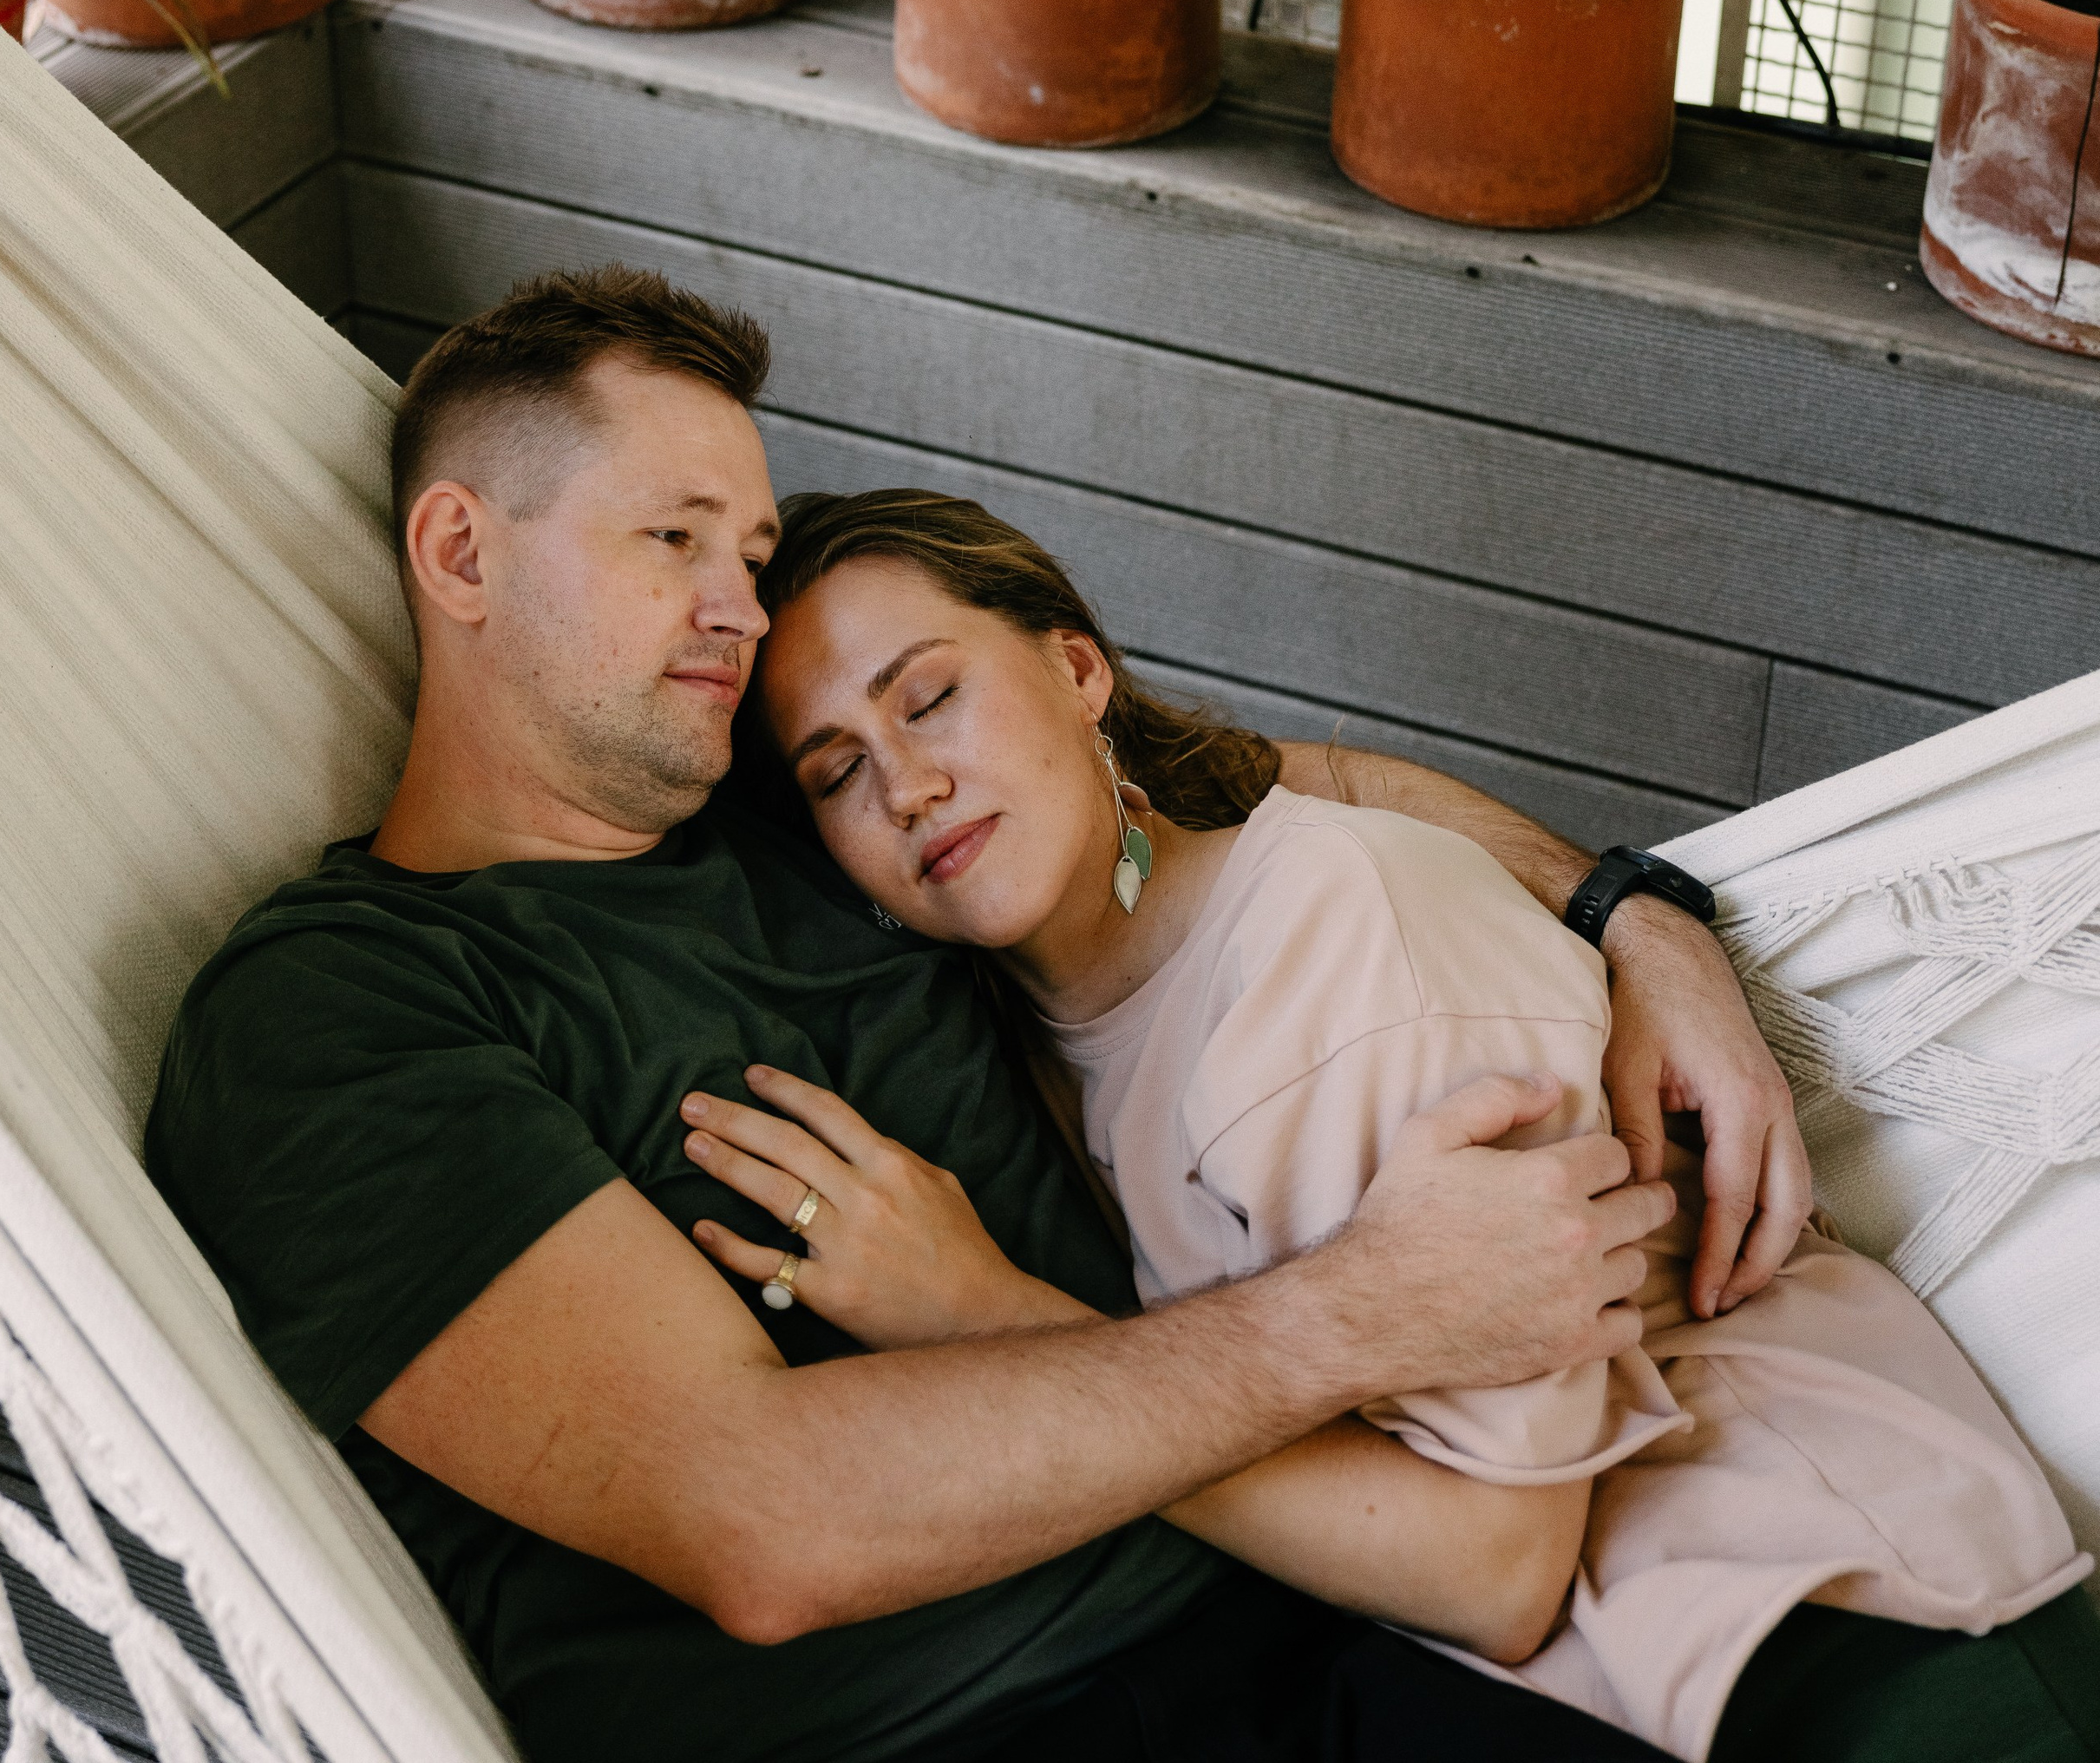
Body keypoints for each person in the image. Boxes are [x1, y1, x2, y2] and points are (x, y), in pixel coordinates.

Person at [145, 263, 1816, 1763]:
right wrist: (1366, 1313)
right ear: (461, 551)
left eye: (749, 548)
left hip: (1317, 1630)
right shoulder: (338, 1007)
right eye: (676, 538)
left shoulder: (817, 815)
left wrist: (1645, 919)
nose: (741, 600)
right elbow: (764, 1521)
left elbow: (1257, 782)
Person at [713, 485, 2100, 1763]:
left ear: (1080, 674)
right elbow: (1288, 774)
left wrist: (980, 1318)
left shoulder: (1341, 953)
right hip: (1605, 1687)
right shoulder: (1036, 1018)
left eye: (934, 697)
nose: (906, 783)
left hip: (1850, 1644)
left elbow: (1492, 1572)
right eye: (836, 770)